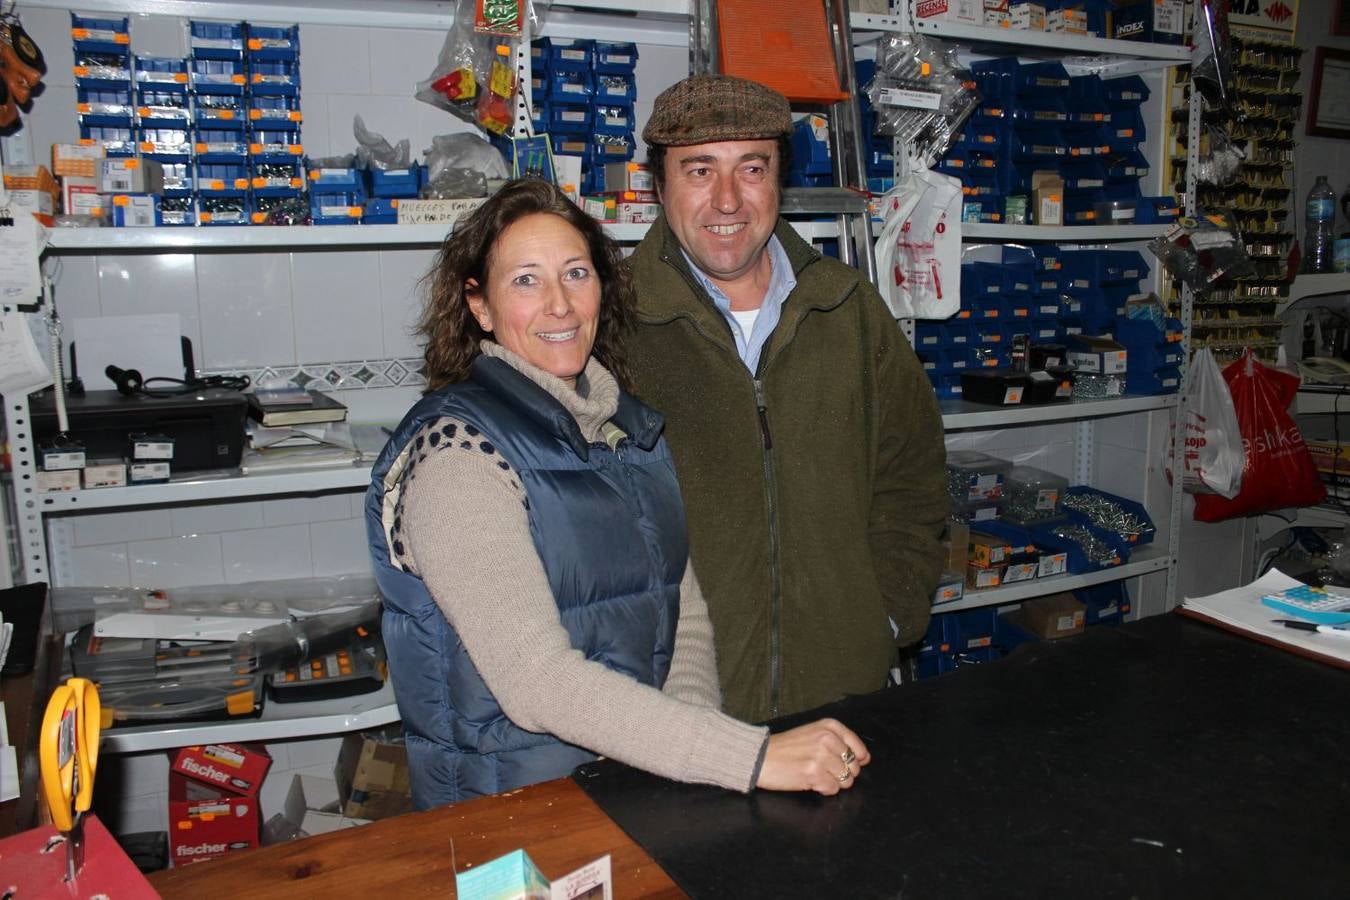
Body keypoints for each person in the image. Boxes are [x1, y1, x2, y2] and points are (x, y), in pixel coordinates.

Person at [365, 178, 870, 809]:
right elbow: (537, 684)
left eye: (576, 273)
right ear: (480, 306)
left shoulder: (625, 430)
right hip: (514, 813)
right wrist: (751, 756)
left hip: (633, 791)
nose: (559, 305)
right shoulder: (459, 455)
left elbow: (682, 610)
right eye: (526, 280)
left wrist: (690, 760)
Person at [626, 75, 950, 724]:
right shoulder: (611, 324)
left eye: (752, 167)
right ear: (659, 187)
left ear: (780, 180)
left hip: (843, 692)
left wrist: (885, 614)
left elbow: (912, 478)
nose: (727, 200)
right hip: (674, 713)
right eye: (698, 170)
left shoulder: (848, 307)